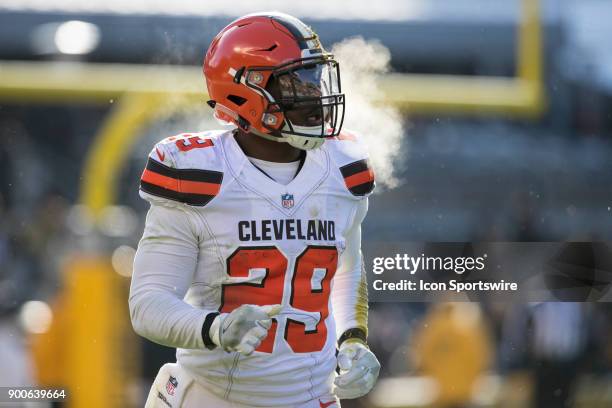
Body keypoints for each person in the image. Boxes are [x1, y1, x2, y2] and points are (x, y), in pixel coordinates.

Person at [129, 12, 380, 408]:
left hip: (313, 399)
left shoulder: (344, 165)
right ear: (247, 94)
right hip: (212, 399)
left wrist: (353, 337)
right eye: (297, 83)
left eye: (316, 79)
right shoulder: (195, 171)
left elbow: (346, 265)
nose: (316, 95)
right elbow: (149, 304)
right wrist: (216, 327)